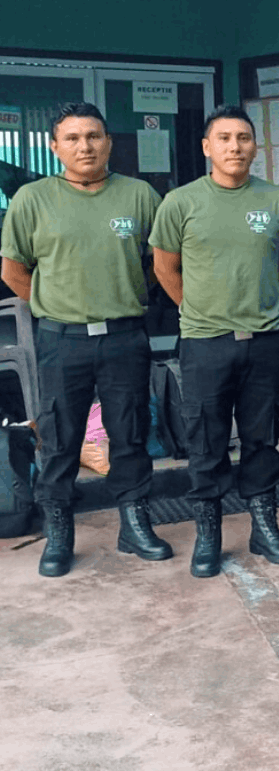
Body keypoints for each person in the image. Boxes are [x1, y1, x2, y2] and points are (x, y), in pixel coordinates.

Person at [1, 102, 171, 576]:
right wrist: (59, 304)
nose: (84, 146)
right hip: (62, 340)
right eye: (72, 138)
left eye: (93, 136)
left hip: (124, 337)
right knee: (58, 438)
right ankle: (59, 531)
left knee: (131, 434)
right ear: (54, 146)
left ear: (108, 142)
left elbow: (159, 264)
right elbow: (14, 272)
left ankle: (135, 524)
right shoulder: (32, 199)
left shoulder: (139, 195)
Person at [151, 106, 279, 579]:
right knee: (206, 438)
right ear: (206, 147)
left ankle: (263, 526)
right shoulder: (181, 201)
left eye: (244, 138)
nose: (235, 147)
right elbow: (164, 268)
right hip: (204, 343)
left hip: (266, 339)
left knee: (262, 436)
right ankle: (209, 533)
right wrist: (199, 312)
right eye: (225, 138)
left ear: (256, 146)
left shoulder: (277, 200)